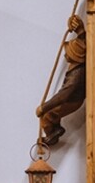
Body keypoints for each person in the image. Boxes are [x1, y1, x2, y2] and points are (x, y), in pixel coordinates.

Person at [36, 14, 86, 146]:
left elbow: (64, 94)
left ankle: (52, 135)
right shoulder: (76, 67)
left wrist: (43, 107)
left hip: (72, 100)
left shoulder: (77, 73)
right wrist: (80, 32)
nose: (65, 55)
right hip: (72, 99)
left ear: (74, 55)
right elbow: (83, 45)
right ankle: (56, 129)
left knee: (46, 117)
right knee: (53, 113)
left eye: (68, 53)